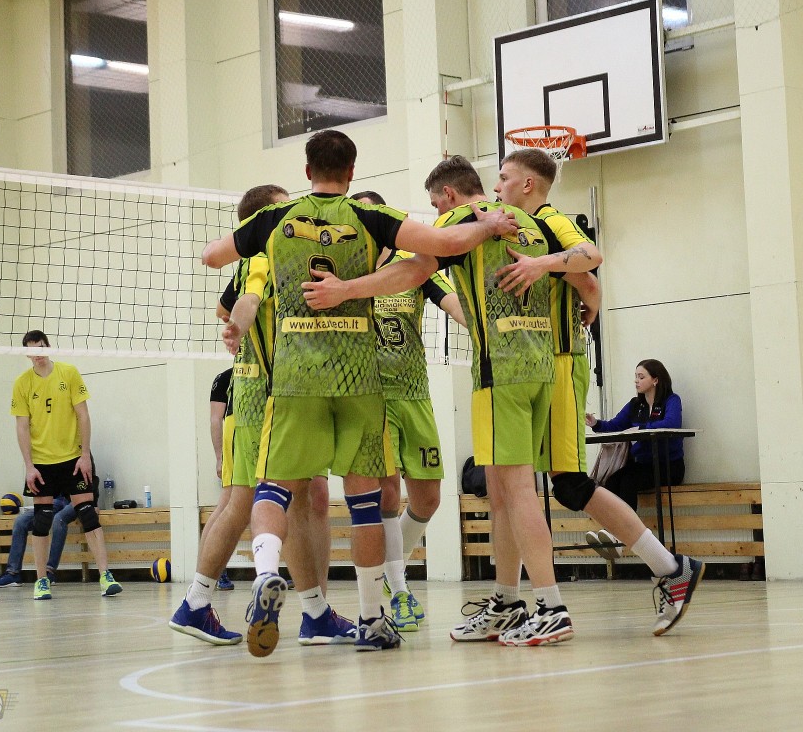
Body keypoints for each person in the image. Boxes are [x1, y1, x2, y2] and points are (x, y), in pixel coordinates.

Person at [203, 130, 519, 656]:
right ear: (352, 172)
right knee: (366, 500)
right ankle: (373, 617)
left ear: (307, 171)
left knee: (274, 487)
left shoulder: (276, 219)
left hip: (296, 377)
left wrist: (258, 251)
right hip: (358, 378)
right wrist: (487, 224)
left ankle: (265, 572)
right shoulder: (370, 218)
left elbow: (213, 257)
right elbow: (440, 245)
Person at [303, 155, 598, 646]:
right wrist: (591, 301)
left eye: (436, 204)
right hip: (542, 364)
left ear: (449, 196)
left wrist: (346, 290)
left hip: (499, 370)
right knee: (502, 493)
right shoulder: (527, 220)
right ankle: (506, 601)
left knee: (517, 492)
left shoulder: (460, 222)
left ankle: (552, 606)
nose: (436, 213)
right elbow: (587, 270)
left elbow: (414, 271)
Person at [497, 148, 703, 636]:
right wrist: (587, 292)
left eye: (503, 177)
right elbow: (585, 282)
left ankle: (670, 568)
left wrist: (546, 267)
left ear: (528, 184)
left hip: (560, 364)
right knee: (541, 486)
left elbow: (590, 257)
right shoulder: (521, 230)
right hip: (538, 366)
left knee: (568, 484)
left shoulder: (550, 221)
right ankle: (512, 598)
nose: (497, 186)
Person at [171, 184, 354, 648]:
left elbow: (229, 304)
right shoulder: (262, 255)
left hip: (273, 394)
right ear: (266, 218)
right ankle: (198, 602)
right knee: (247, 502)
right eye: (285, 207)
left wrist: (234, 323)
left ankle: (312, 612)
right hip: (264, 399)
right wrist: (239, 323)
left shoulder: (266, 257)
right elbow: (246, 301)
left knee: (287, 499)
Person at [350, 189, 466, 632]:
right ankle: (399, 589)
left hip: (414, 393)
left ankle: (390, 566)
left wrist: (484, 327)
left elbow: (453, 303)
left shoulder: (412, 264)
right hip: (370, 397)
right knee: (387, 493)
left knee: (429, 498)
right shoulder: (346, 272)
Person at [11, 330, 121, 600]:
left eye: (40, 347)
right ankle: (41, 581)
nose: (37, 354)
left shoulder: (68, 373)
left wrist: (85, 455)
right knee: (41, 520)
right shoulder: (22, 384)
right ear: (26, 354)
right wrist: (28, 466)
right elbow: (22, 427)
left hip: (72, 458)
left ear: (48, 347)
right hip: (42, 463)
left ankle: (105, 576)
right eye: (31, 350)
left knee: (88, 513)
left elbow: (83, 415)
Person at [587, 359, 687, 509]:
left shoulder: (671, 400)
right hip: (642, 465)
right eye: (635, 376)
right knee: (611, 483)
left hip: (668, 466)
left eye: (641, 377)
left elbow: (671, 423)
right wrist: (596, 423)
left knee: (629, 482)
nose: (636, 381)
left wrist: (641, 428)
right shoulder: (635, 404)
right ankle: (614, 524)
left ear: (655, 380)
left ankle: (629, 524)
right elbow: (615, 425)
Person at [0, 495, 70, 587]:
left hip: (75, 499)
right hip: (55, 499)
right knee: (20, 521)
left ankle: (49, 571)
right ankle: (13, 573)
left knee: (58, 519)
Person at [208, 367, 235, 591]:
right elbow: (216, 419)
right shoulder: (224, 378)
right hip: (235, 447)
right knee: (226, 505)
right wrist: (219, 457)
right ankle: (213, 570)